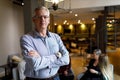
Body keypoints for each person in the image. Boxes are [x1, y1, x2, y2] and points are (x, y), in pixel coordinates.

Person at [20, 6, 69, 80]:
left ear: (49, 20)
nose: (42, 19)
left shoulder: (56, 37)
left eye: (45, 17)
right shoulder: (26, 39)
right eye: (39, 17)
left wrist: (41, 59)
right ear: (34, 20)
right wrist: (57, 55)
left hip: (55, 77)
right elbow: (35, 64)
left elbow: (66, 59)